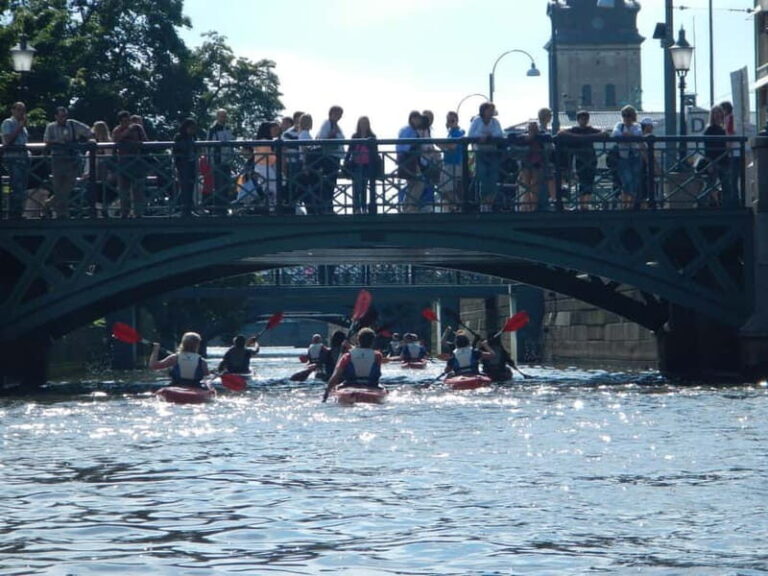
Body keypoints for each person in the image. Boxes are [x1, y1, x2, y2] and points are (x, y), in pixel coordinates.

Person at [43, 106, 93, 218]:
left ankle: (49, 205)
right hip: (57, 160)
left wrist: (90, 139)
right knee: (58, 187)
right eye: (61, 116)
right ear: (56, 116)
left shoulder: (73, 124)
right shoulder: (50, 127)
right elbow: (46, 140)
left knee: (67, 188)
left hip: (72, 160)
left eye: (65, 116)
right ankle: (63, 214)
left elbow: (88, 131)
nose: (64, 118)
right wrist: (58, 141)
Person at [558, 110, 603, 211]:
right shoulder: (575, 129)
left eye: (586, 118)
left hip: (591, 158)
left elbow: (604, 134)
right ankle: (582, 203)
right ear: (578, 120)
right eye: (582, 118)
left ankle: (586, 204)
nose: (584, 120)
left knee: (590, 181)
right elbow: (561, 133)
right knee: (582, 181)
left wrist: (586, 137)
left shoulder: (590, 129)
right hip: (580, 159)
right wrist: (581, 138)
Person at [467, 102, 504, 212]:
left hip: (493, 153)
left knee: (493, 177)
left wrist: (490, 136)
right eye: (489, 109)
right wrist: (480, 137)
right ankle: (483, 203)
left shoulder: (495, 122)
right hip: (480, 153)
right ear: (483, 110)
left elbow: (500, 134)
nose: (491, 112)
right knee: (482, 176)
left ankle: (490, 202)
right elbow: (470, 135)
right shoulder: (477, 121)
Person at [111, 110, 148, 218]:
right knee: (123, 189)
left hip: (137, 161)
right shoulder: (117, 130)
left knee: (138, 189)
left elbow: (145, 140)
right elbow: (116, 140)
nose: (126, 123)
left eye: (128, 120)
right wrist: (127, 131)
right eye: (123, 121)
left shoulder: (137, 128)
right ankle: (125, 212)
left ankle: (138, 212)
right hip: (123, 162)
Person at [325, 327, 385, 392]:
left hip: (349, 385)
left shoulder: (347, 356)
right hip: (372, 385)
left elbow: (335, 376)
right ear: (373, 341)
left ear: (358, 340)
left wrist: (326, 394)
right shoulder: (378, 356)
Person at [519, 107, 556, 212]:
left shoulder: (533, 128)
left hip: (529, 158)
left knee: (529, 184)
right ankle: (534, 206)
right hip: (538, 159)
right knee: (535, 183)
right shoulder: (542, 129)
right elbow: (547, 145)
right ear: (547, 117)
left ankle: (527, 206)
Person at [611, 105, 644, 210]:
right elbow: (615, 134)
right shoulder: (619, 125)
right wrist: (629, 136)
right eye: (624, 115)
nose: (626, 117)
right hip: (623, 157)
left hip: (635, 156)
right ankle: (625, 205)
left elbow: (638, 134)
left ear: (633, 116)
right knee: (626, 180)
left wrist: (625, 136)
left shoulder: (637, 125)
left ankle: (631, 205)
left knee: (635, 181)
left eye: (629, 115)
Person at [344, 116, 379, 214]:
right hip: (356, 164)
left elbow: (375, 152)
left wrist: (376, 165)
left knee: (364, 186)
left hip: (368, 164)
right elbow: (350, 150)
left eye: (365, 123)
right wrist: (346, 161)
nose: (364, 125)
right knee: (356, 186)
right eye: (362, 123)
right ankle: (356, 208)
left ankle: (364, 207)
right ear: (359, 124)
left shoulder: (372, 136)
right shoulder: (355, 136)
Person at [1, 102, 30, 219]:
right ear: (12, 110)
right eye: (18, 109)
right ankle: (13, 214)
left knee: (22, 188)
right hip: (13, 159)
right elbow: (7, 140)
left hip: (23, 159)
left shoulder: (22, 125)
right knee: (15, 186)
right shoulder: (8, 123)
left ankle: (19, 212)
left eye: (23, 110)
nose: (21, 112)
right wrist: (20, 127)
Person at [315, 105, 345, 214]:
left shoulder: (336, 125)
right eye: (338, 114)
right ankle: (326, 207)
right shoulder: (327, 124)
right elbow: (322, 139)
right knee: (328, 182)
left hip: (335, 157)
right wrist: (331, 135)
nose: (339, 116)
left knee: (332, 183)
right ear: (331, 113)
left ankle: (329, 207)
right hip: (329, 158)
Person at [700, 105, 731, 207]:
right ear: (712, 116)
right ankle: (701, 204)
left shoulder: (723, 129)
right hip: (713, 161)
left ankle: (727, 206)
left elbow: (727, 145)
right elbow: (706, 149)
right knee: (710, 185)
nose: (717, 115)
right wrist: (709, 163)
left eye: (719, 113)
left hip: (723, 160)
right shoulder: (709, 130)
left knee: (726, 185)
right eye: (715, 113)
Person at [207, 109, 235, 214]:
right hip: (217, 160)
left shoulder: (228, 128)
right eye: (222, 116)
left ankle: (224, 207)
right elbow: (208, 146)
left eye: (225, 116)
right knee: (218, 185)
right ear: (217, 117)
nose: (224, 118)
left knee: (226, 184)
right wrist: (210, 161)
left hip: (227, 161)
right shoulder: (212, 129)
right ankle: (218, 209)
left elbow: (232, 142)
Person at [396, 111, 425, 213]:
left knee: (412, 183)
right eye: (417, 119)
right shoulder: (408, 131)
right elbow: (403, 147)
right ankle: (410, 206)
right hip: (407, 160)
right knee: (419, 182)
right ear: (412, 119)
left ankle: (407, 206)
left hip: (411, 161)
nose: (419, 121)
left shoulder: (414, 131)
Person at [438, 111, 465, 212]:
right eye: (448, 120)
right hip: (448, 162)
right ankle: (454, 206)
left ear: (457, 121)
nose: (450, 122)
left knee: (449, 188)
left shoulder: (458, 132)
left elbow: (452, 146)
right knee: (444, 187)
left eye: (452, 120)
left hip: (455, 163)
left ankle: (458, 206)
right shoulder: (450, 133)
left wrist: (441, 145)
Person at [172, 118, 198, 217]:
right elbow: (177, 151)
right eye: (191, 128)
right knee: (184, 186)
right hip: (182, 165)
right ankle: (182, 209)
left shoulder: (193, 136)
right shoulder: (179, 137)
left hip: (191, 163)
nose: (193, 131)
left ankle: (189, 208)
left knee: (191, 185)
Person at [719, 100, 742, 207]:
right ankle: (734, 200)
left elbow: (729, 134)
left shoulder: (730, 119)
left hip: (733, 153)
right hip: (734, 152)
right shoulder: (731, 118)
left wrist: (726, 149)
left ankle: (734, 201)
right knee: (732, 178)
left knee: (732, 178)